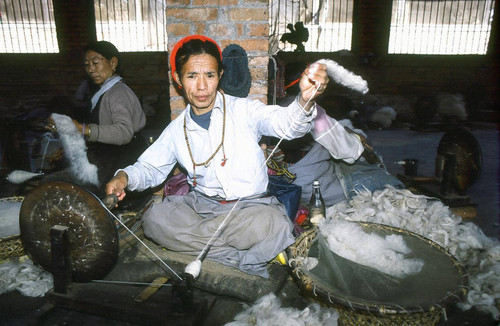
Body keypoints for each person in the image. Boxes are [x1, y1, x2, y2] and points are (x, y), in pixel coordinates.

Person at [105, 35, 329, 278]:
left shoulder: (244, 109)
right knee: (155, 220)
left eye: (209, 75)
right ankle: (247, 256)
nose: (202, 87)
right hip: (200, 208)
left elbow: (286, 124)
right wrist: (124, 177)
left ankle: (217, 250)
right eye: (192, 76)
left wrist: (304, 101)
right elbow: (149, 167)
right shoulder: (176, 129)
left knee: (274, 224)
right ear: (178, 79)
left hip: (249, 211)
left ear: (220, 75)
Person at [45, 41, 147, 195]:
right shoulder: (104, 92)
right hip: (108, 157)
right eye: (87, 64)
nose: (91, 69)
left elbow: (124, 132)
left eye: (95, 63)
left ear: (113, 63)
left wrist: (82, 129)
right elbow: (102, 131)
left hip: (121, 160)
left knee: (53, 185)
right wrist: (68, 149)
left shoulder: (118, 92)